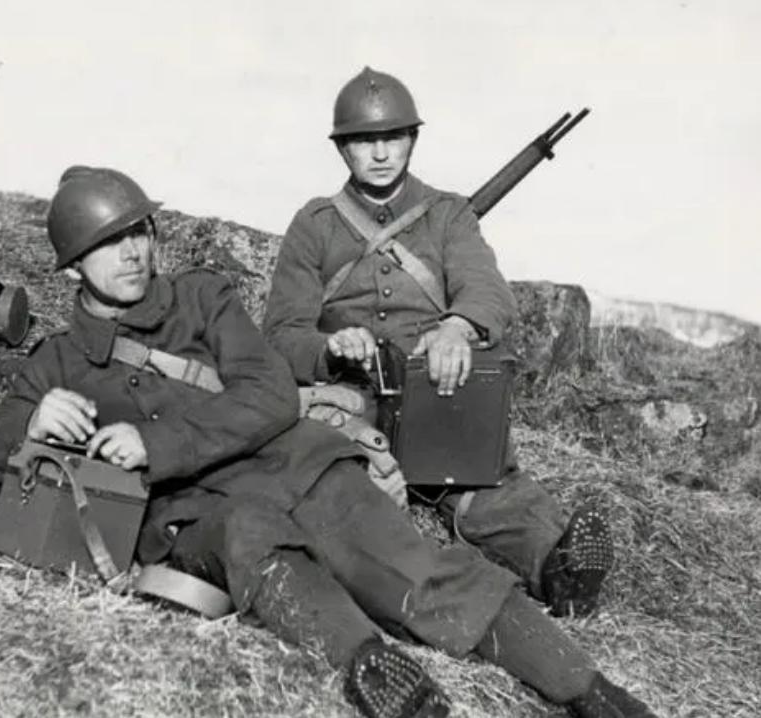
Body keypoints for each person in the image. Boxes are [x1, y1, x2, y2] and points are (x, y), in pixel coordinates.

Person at [0, 166, 655, 718]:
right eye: (109, 243)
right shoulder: (56, 365)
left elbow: (269, 394)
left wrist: (153, 444)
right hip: (202, 519)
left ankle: (590, 690)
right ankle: (373, 669)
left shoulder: (202, 299)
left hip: (302, 468)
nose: (133, 252)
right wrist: (31, 429)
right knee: (256, 541)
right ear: (72, 267)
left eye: (139, 231)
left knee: (422, 572)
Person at [262, 67, 613, 619]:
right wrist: (328, 349)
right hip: (352, 402)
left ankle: (559, 568)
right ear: (342, 149)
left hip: (435, 391)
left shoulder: (448, 216)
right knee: (342, 485)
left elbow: (486, 289)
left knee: (487, 488)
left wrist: (456, 328)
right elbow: (282, 334)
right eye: (364, 141)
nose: (381, 153)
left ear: (413, 139)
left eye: (393, 137)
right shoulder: (314, 224)